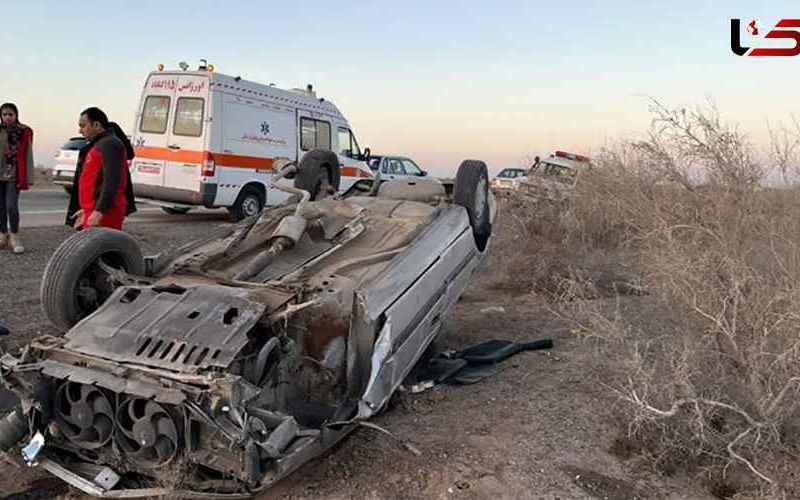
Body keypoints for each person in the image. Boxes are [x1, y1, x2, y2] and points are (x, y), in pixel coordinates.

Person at [65, 108, 136, 230]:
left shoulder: (110, 144)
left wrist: (99, 211)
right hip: (93, 211)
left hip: (106, 214)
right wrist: (86, 209)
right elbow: (93, 179)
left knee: (104, 247)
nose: (80, 131)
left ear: (97, 125)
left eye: (83, 126)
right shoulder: (99, 144)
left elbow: (112, 182)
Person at [0, 103, 33, 254]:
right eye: (4, 114)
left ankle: (14, 235)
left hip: (14, 175)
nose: (7, 117)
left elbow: (28, 156)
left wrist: (28, 176)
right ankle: (3, 235)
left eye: (10, 114)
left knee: (11, 206)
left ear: (16, 115)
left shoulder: (23, 132)